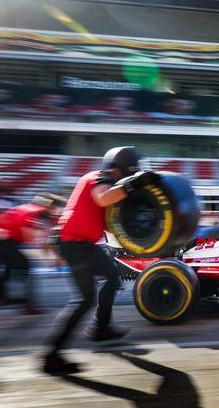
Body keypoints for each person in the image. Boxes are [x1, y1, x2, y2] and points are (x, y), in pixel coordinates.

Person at [43, 146, 159, 375]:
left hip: (83, 243)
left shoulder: (107, 182)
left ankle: (101, 328)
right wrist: (135, 184)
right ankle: (52, 355)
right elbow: (103, 199)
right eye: (129, 173)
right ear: (120, 169)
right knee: (84, 299)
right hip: (74, 244)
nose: (129, 177)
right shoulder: (99, 178)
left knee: (112, 278)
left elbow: (111, 220)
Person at [0, 193, 65, 313]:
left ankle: (0, 297)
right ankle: (28, 306)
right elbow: (30, 238)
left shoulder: (28, 207)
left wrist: (52, 255)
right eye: (55, 207)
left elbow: (40, 239)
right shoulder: (36, 213)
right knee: (24, 266)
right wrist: (51, 255)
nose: (56, 210)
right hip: (1, 240)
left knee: (6, 272)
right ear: (49, 205)